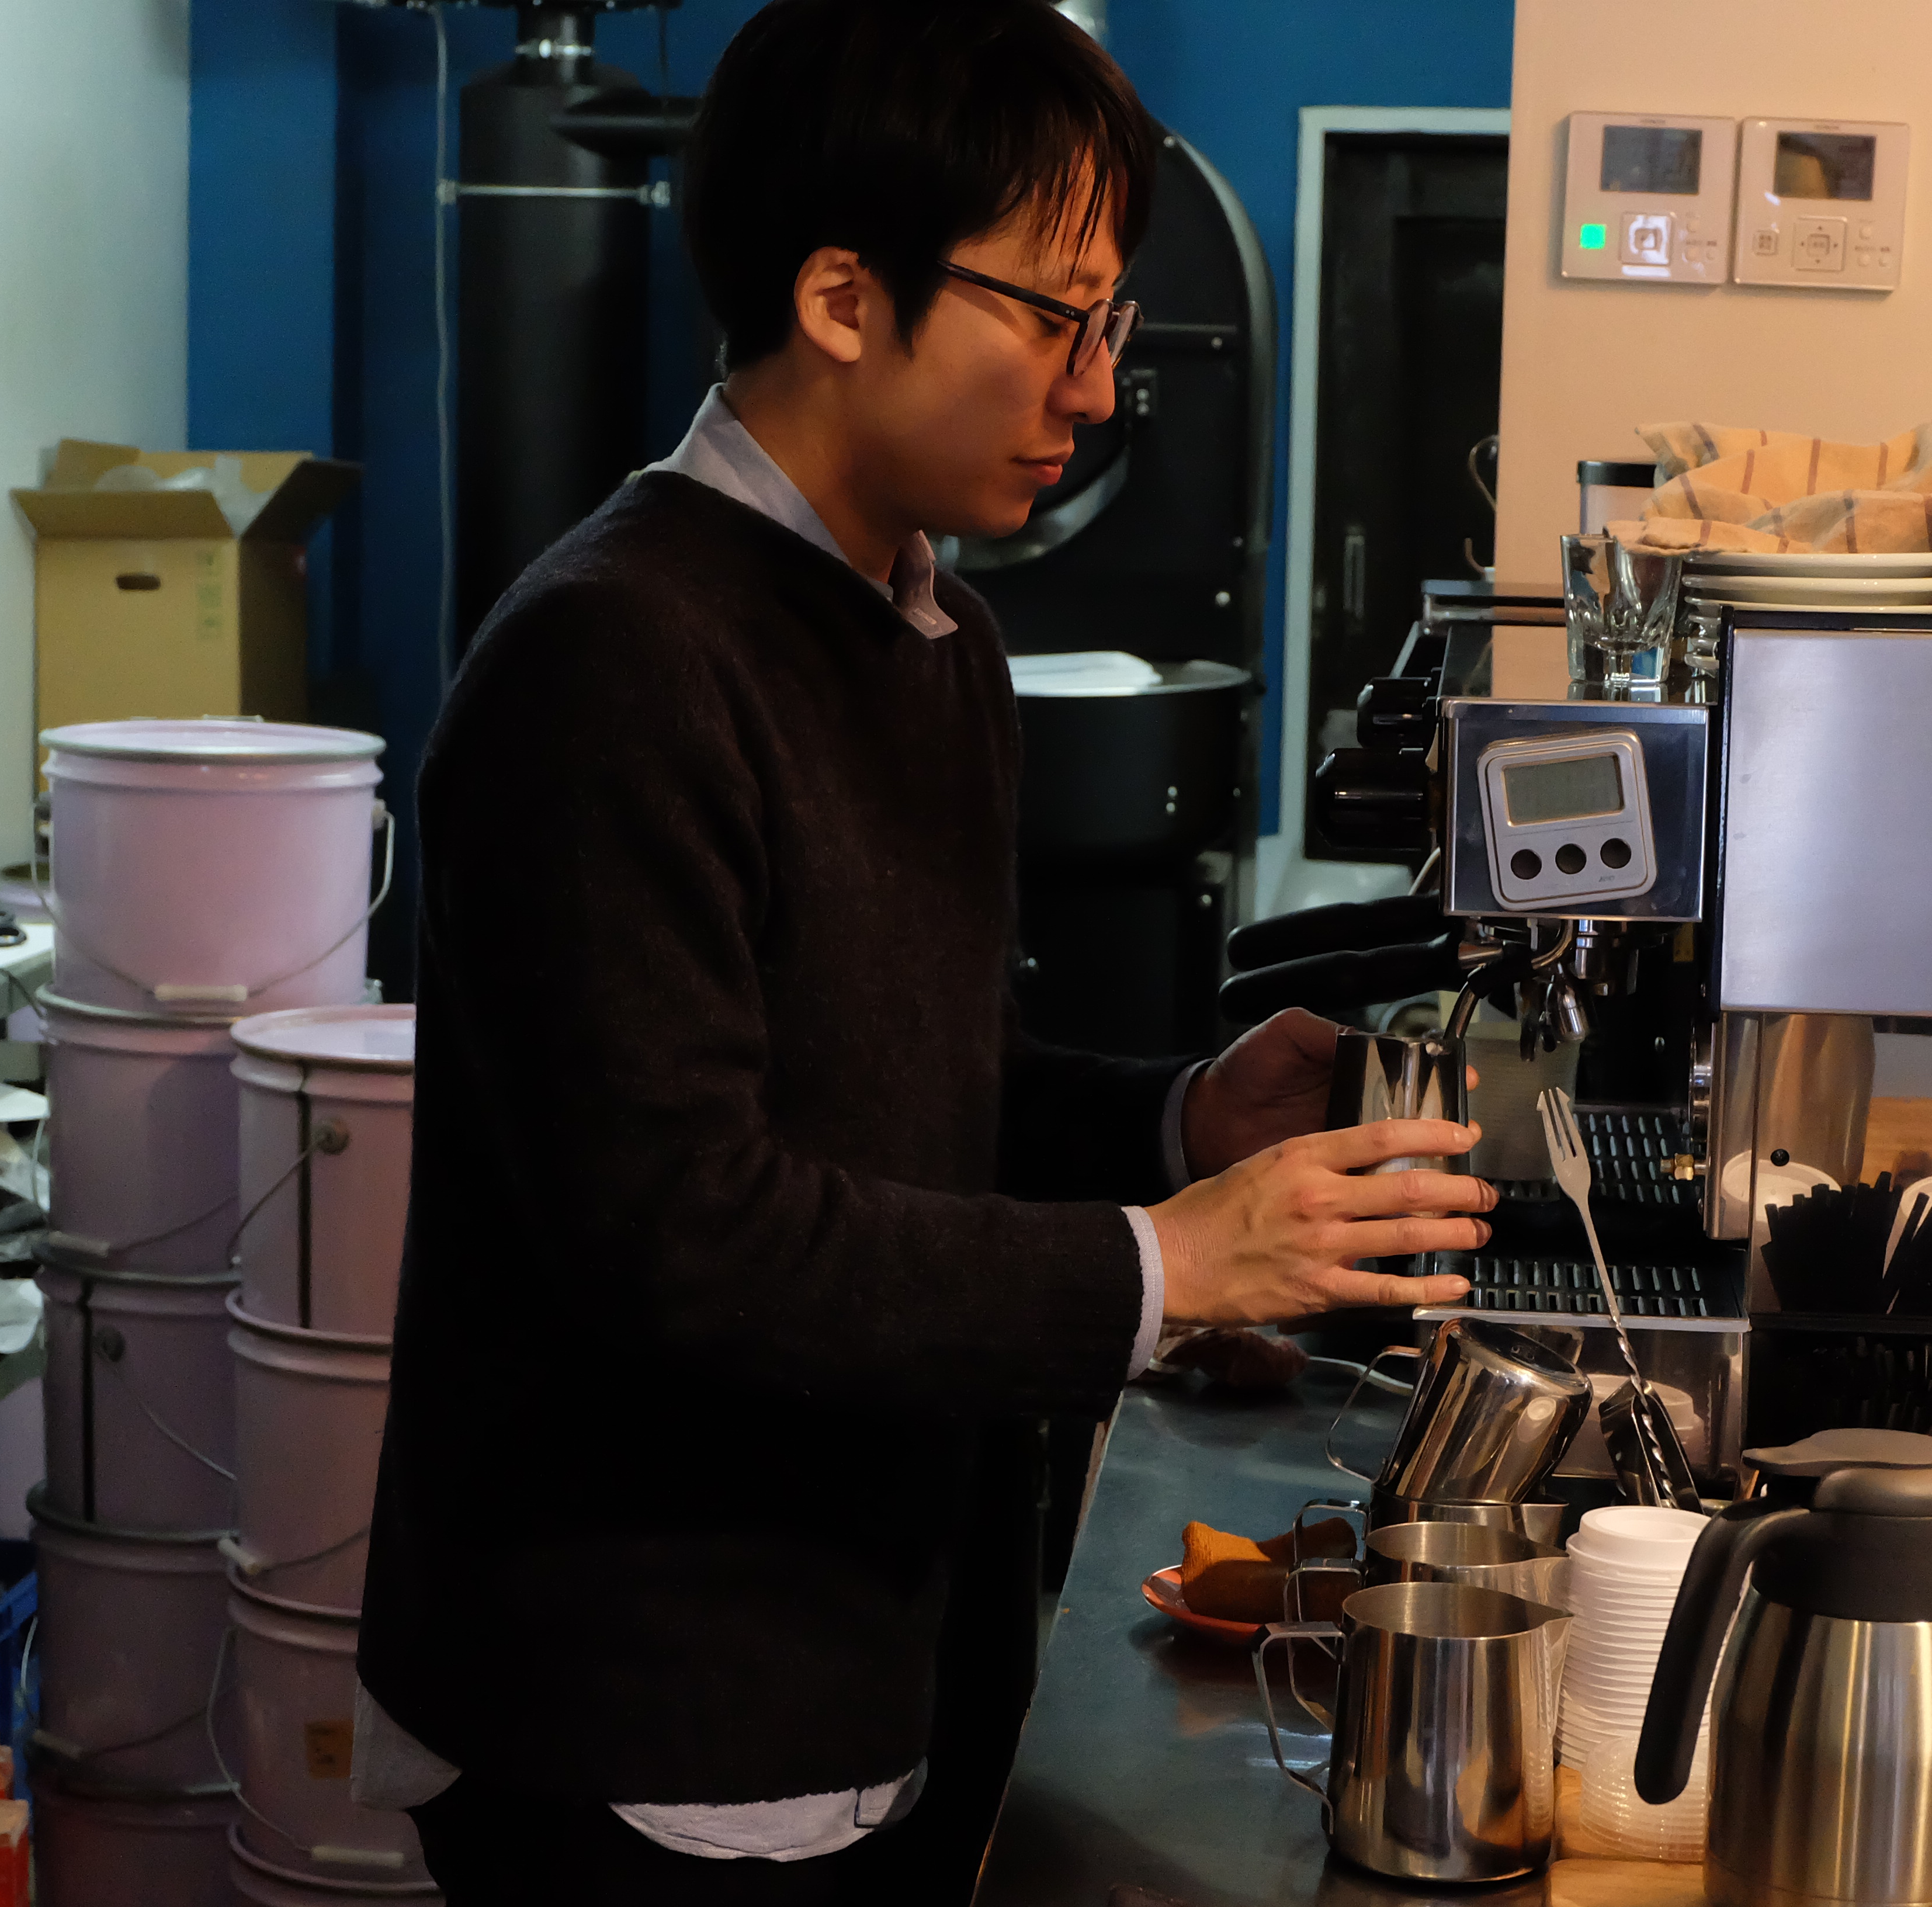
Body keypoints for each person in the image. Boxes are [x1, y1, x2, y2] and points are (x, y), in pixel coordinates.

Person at [353, 4, 1494, 1900]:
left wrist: (1183, 1124)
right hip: (651, 1708)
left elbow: (910, 1089)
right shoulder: (618, 661)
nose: (1098, 386)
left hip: (866, 1644)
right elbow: (684, 1235)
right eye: (1056, 315)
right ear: (839, 297)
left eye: (1111, 321)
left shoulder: (931, 641)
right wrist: (1171, 1266)